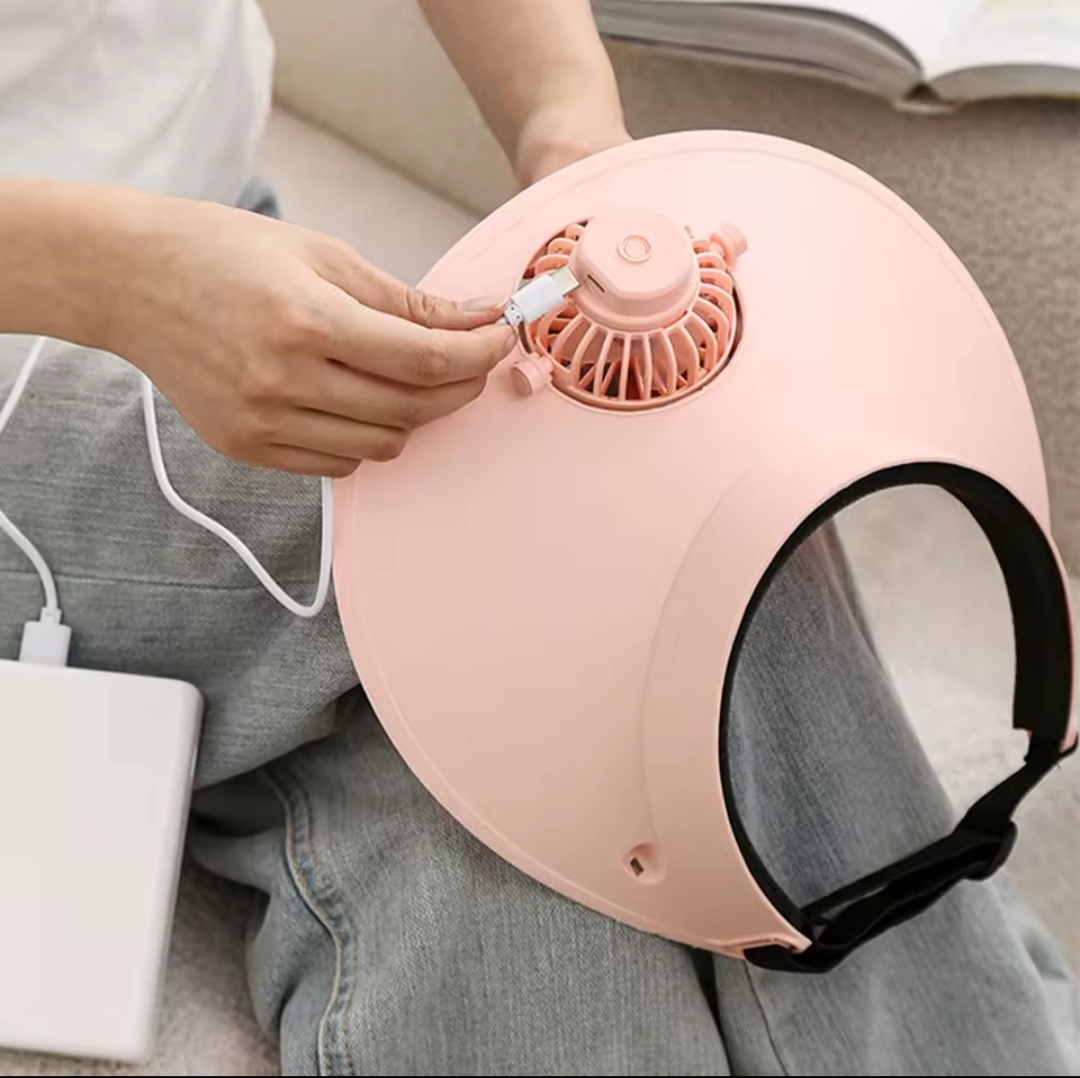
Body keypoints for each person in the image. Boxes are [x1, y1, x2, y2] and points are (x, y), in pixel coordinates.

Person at [0, 2, 1075, 1075]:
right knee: (639, 501)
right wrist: (111, 276)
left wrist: (568, 124)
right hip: (67, 319)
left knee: (489, 817)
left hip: (219, 230)